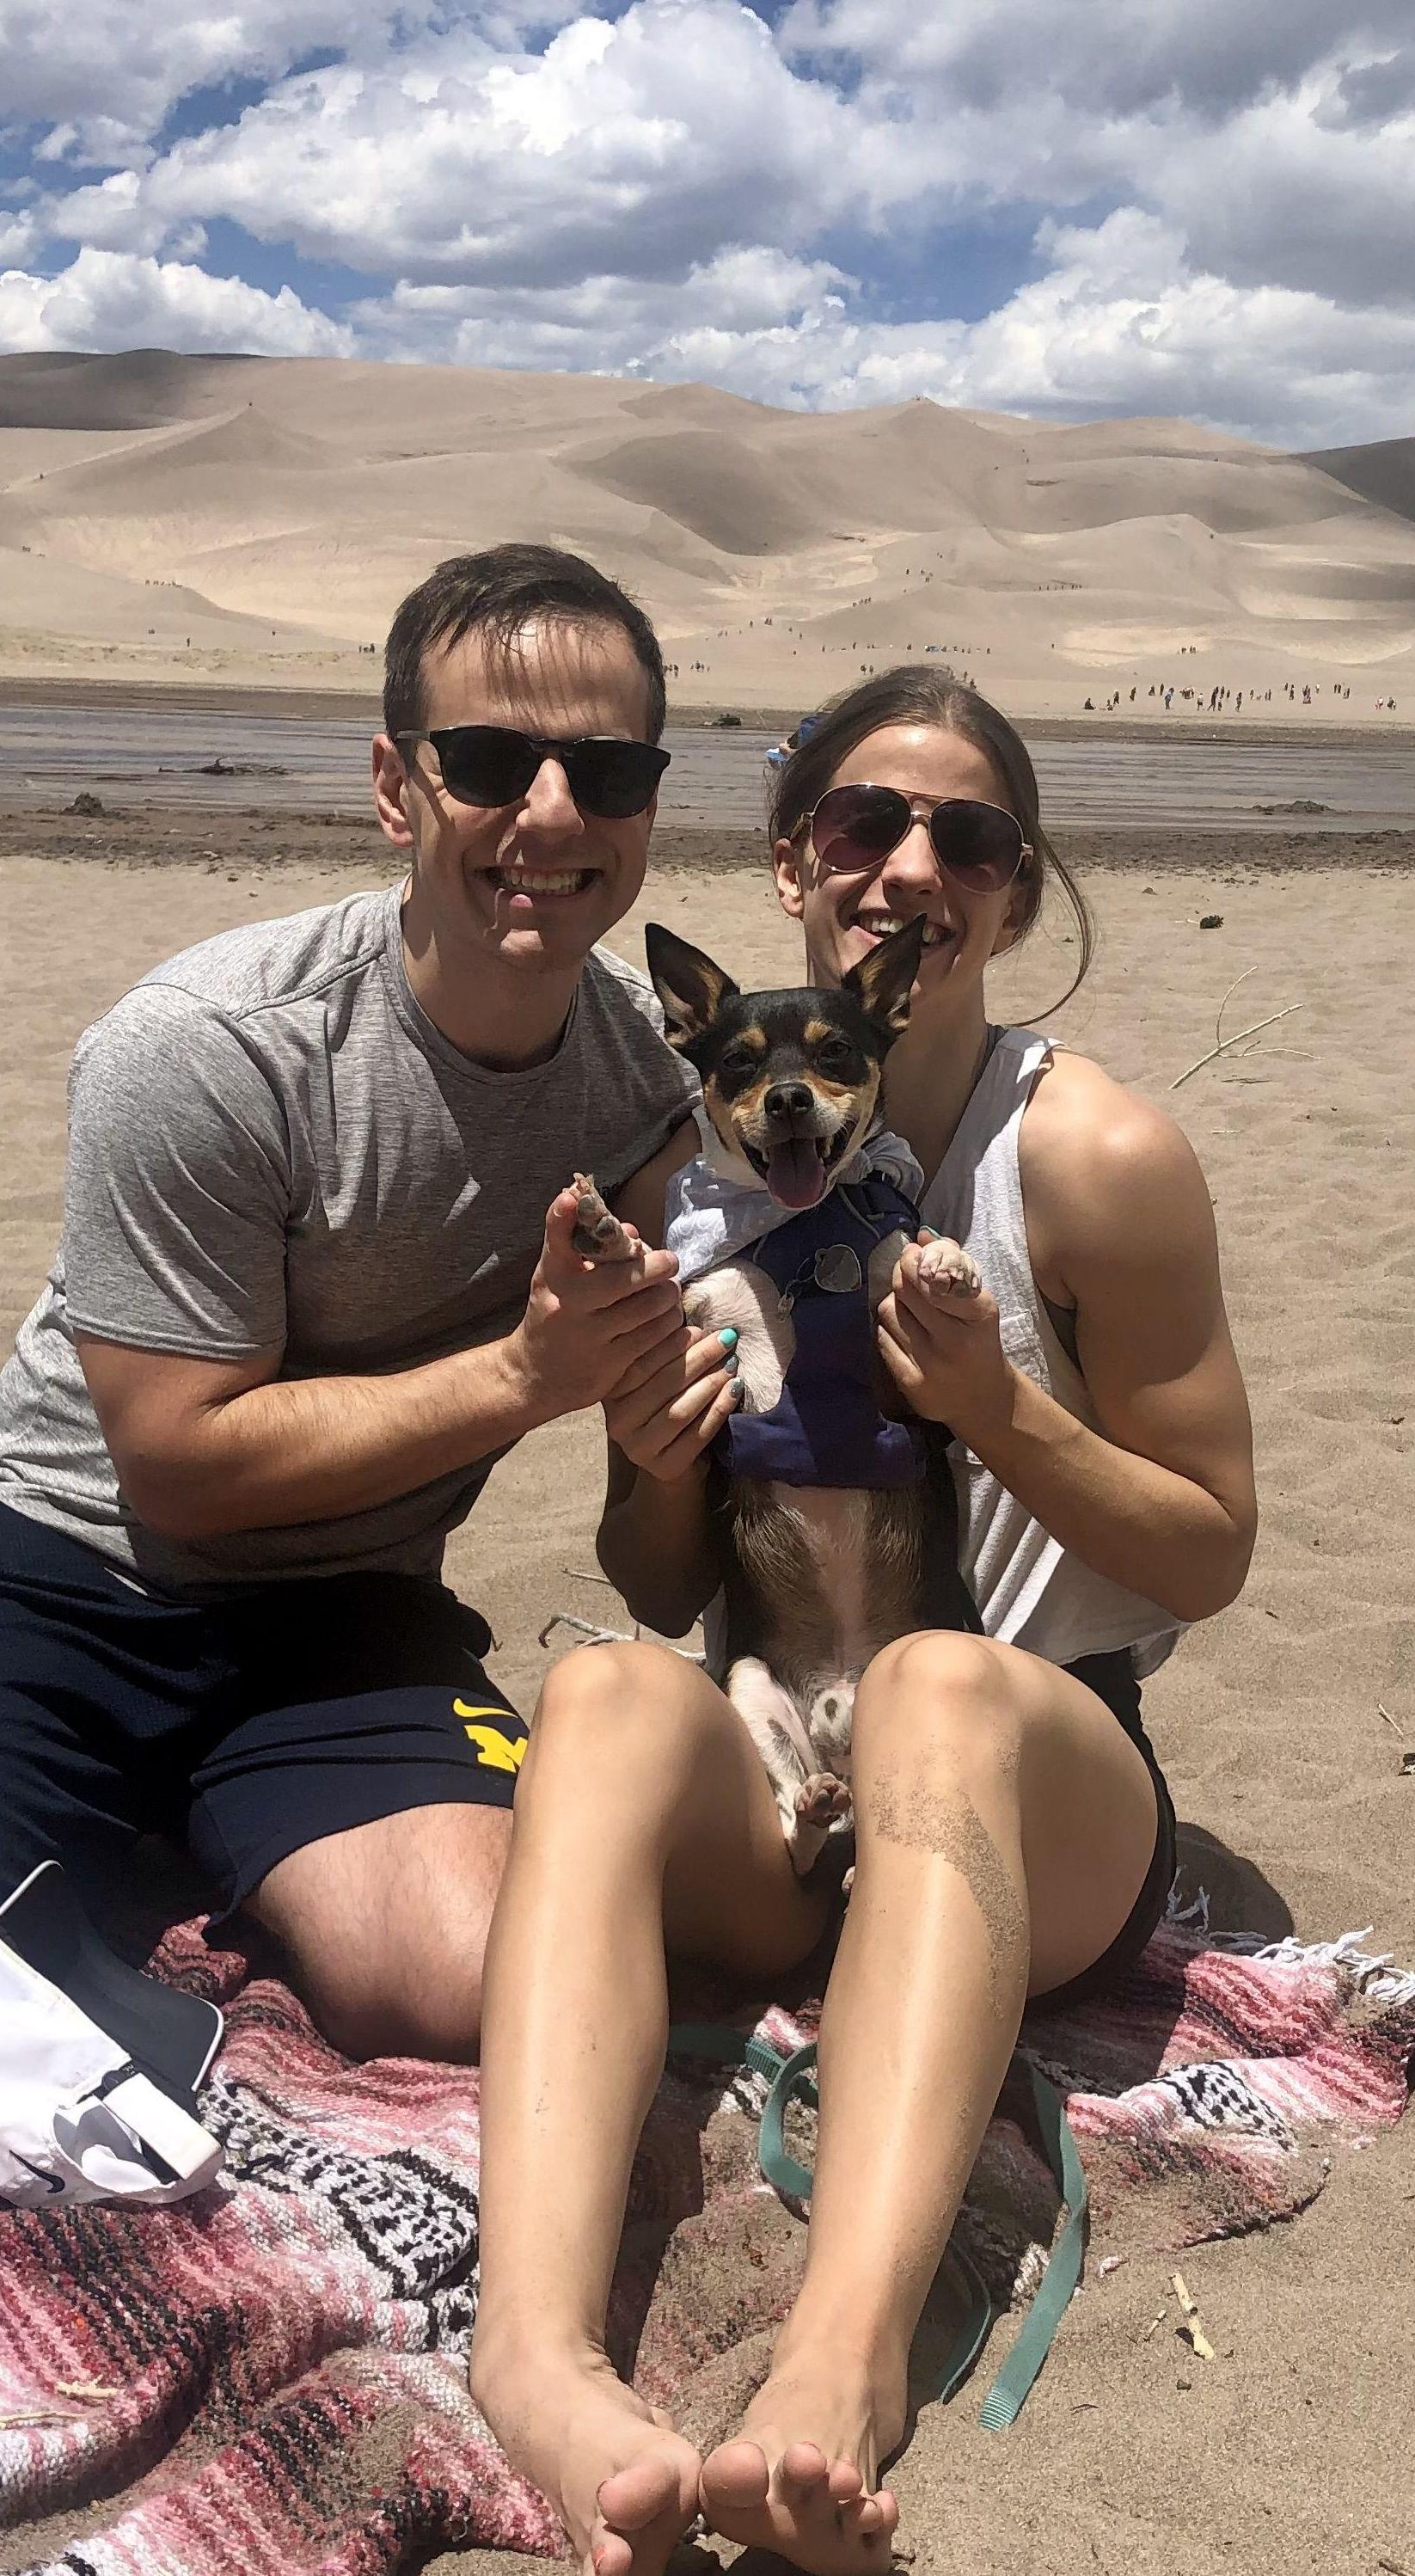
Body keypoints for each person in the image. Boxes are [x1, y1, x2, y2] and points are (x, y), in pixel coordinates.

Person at [0, 544, 700, 2148]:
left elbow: (665, 1516)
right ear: (394, 787)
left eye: (605, 770)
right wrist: (529, 1375)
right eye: (486, 760)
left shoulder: (655, 1093)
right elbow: (176, 1468)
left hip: (347, 1611)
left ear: (651, 806)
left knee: (481, 1976)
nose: (549, 813)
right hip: (65, 1578)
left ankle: (113, 1829)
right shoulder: (213, 1046)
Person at [470, 667, 1258, 2574]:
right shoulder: (695, 1190)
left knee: (936, 1687)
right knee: (598, 1691)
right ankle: (534, 2355)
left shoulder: (1089, 1158)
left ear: (1014, 890)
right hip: (787, 1779)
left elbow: (1208, 1550)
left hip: (1033, 1783)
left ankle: (837, 2366)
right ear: (790, 863)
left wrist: (996, 1409)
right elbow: (665, 1583)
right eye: (863, 825)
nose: (910, 868)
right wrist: (654, 1457)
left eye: (967, 839)